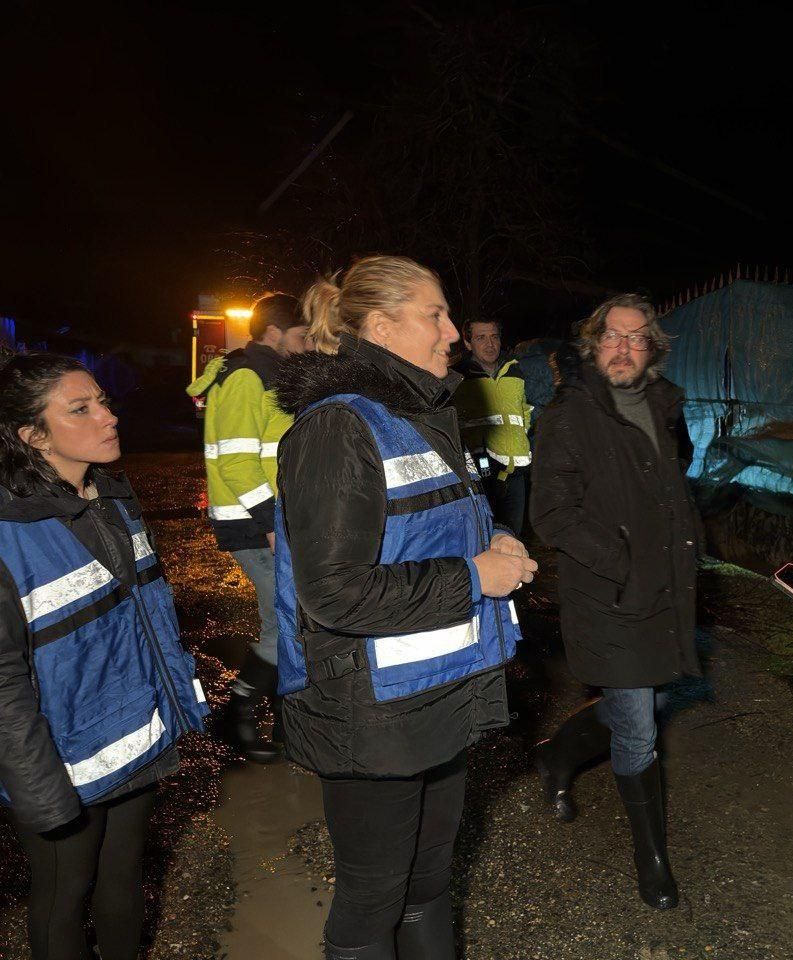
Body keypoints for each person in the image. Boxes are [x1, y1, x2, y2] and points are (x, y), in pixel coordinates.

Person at [271, 256, 536, 960]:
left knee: (427, 886)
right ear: (383, 328)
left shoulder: (423, 412)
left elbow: (423, 526)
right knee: (373, 901)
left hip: (434, 694)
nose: (453, 331)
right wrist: (475, 576)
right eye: (436, 315)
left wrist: (496, 541)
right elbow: (332, 591)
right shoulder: (336, 428)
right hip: (370, 712)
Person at [0, 351, 209, 960]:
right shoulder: (8, 530)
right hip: (60, 762)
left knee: (123, 882)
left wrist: (170, 708)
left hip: (132, 737)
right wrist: (40, 791)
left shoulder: (113, 496)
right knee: (66, 897)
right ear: (32, 436)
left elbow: (146, 617)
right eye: (81, 409)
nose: (108, 417)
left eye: (104, 401)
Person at [529, 293, 700, 911]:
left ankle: (558, 756)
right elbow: (550, 513)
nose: (623, 348)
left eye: (636, 337)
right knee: (639, 726)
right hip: (611, 593)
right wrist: (621, 559)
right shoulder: (569, 415)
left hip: (667, 587)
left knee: (647, 700)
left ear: (651, 347)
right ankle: (652, 860)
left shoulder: (666, 403)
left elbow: (675, 480)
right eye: (612, 336)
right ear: (592, 344)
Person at [186, 293, 306, 761]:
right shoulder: (245, 377)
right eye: (300, 336)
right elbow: (236, 464)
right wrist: (272, 521)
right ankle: (235, 715)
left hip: (272, 520)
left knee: (293, 619)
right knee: (284, 619)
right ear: (274, 333)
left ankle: (284, 724)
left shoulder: (270, 375)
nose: (307, 344)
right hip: (254, 523)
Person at [452, 320, 533, 534]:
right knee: (485, 538)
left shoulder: (515, 371)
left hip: (514, 469)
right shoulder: (457, 377)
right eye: (480, 338)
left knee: (514, 538)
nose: (490, 344)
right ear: (468, 343)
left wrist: (521, 440)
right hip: (480, 471)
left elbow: (525, 410)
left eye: (494, 336)